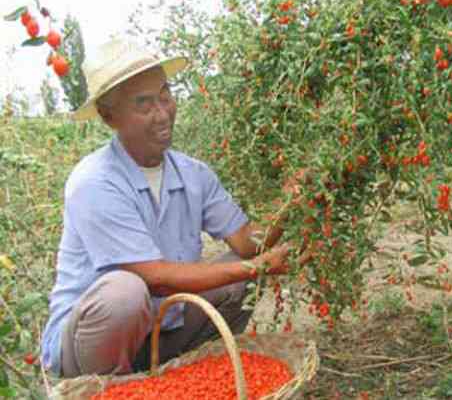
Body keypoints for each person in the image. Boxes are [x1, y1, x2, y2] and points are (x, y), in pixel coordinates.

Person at [40, 38, 309, 378]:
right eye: (144, 104)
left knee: (239, 274)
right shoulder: (95, 181)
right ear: (110, 117)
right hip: (91, 348)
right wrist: (257, 267)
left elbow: (245, 243)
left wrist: (293, 199)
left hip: (162, 329)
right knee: (125, 293)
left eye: (165, 95)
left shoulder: (193, 173)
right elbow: (156, 278)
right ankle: (107, 390)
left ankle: (186, 372)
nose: (162, 112)